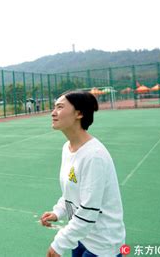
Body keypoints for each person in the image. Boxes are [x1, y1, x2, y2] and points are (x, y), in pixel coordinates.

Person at [40, 91, 125, 257]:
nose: (53, 112)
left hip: (102, 245)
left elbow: (88, 210)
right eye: (54, 107)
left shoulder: (94, 156)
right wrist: (58, 211)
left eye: (60, 107)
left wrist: (59, 243)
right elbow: (71, 192)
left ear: (79, 113)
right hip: (80, 236)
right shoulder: (67, 148)